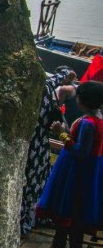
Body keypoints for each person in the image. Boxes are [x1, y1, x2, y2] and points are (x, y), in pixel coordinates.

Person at [33, 81, 103, 248]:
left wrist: (61, 135)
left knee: (73, 217)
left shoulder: (88, 124)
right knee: (66, 213)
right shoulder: (98, 119)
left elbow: (81, 152)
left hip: (77, 174)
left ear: (81, 100)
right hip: (85, 173)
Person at [21, 67, 75, 234]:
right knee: (33, 182)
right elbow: (63, 76)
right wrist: (67, 74)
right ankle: (29, 219)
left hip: (31, 142)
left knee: (34, 180)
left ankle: (31, 217)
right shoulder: (45, 86)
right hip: (36, 144)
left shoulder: (30, 87)